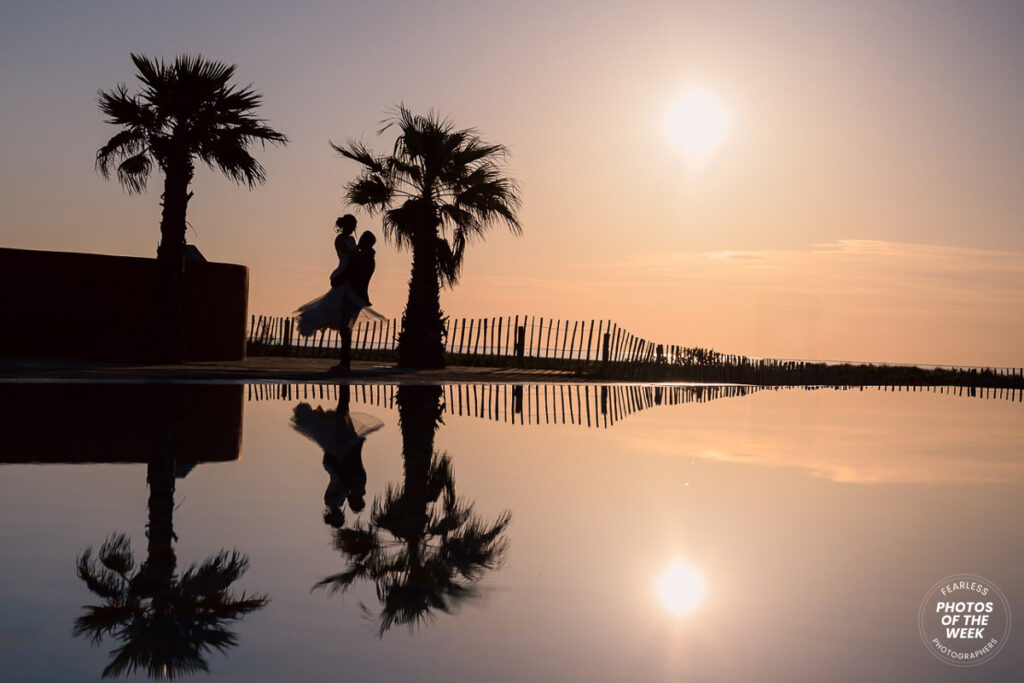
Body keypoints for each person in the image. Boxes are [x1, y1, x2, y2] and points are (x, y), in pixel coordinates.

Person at [295, 219, 383, 373]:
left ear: (367, 244)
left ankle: (345, 363)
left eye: (362, 241)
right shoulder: (365, 257)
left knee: (345, 328)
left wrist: (336, 280)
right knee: (345, 328)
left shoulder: (365, 259)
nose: (359, 243)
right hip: (354, 295)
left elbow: (351, 272)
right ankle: (344, 363)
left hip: (355, 296)